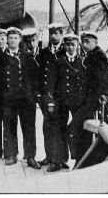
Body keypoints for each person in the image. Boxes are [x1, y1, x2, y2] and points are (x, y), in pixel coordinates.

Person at [0, 27, 40, 169]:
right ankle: (11, 155)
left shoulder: (27, 56)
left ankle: (30, 156)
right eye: (10, 38)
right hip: (9, 98)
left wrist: (33, 95)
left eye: (15, 38)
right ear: (7, 40)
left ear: (20, 40)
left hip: (26, 99)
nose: (12, 41)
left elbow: (35, 77)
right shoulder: (1, 58)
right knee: (9, 126)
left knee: (29, 128)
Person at [46, 32, 86, 171]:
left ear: (77, 45)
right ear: (64, 45)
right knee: (58, 129)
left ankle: (79, 160)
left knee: (78, 130)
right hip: (61, 101)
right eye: (68, 45)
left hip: (77, 102)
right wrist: (51, 101)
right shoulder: (58, 62)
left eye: (73, 45)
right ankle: (59, 161)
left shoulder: (82, 62)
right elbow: (51, 84)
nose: (70, 48)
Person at [37, 22, 68, 169]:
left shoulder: (66, 51)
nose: (53, 36)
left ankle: (59, 160)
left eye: (56, 33)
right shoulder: (45, 52)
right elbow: (40, 74)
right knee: (47, 127)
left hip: (61, 97)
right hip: (47, 96)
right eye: (51, 33)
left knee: (59, 128)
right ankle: (50, 157)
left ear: (61, 34)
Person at [80, 31, 108, 166]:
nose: (84, 45)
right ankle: (87, 158)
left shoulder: (98, 56)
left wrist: (100, 96)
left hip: (95, 99)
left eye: (87, 41)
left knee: (80, 126)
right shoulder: (92, 55)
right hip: (91, 98)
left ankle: (86, 159)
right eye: (83, 42)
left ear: (95, 42)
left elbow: (104, 79)